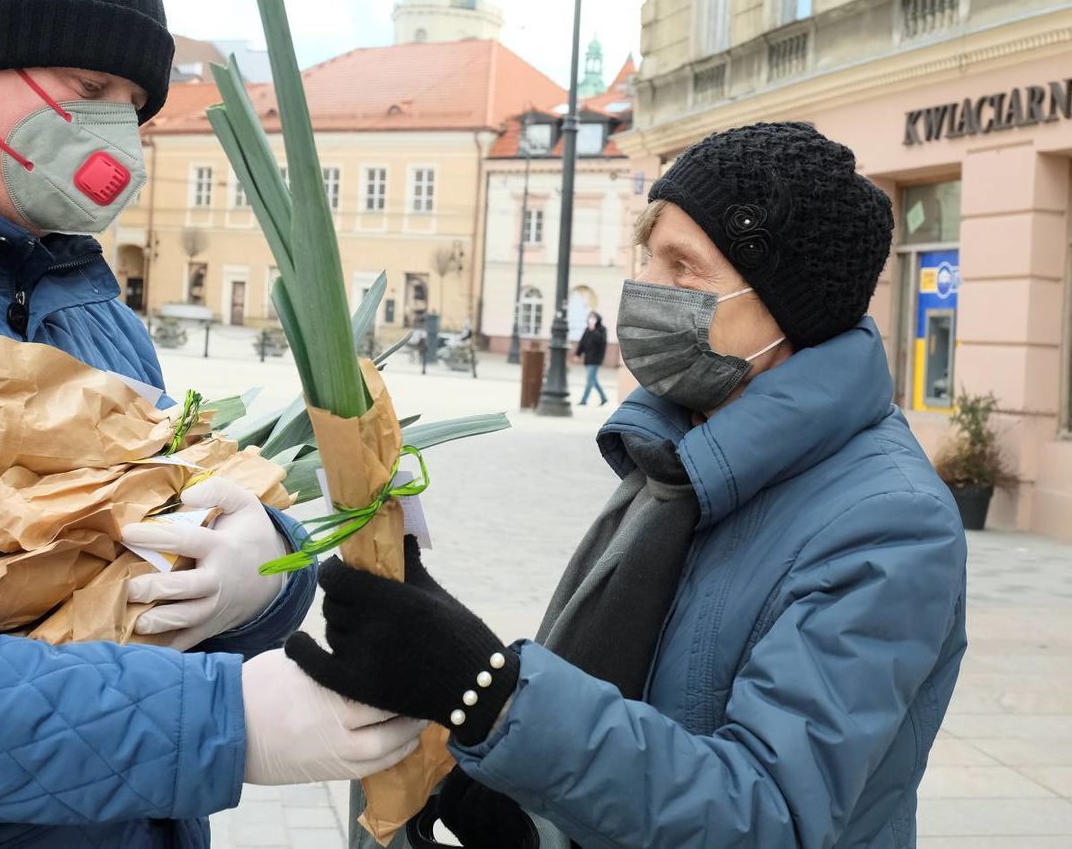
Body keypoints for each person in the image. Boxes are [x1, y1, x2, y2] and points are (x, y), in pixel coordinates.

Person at [0, 0, 421, 849]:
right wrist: (230, 722)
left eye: (132, 109)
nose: (114, 140)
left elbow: (161, 570)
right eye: (89, 92)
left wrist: (270, 579)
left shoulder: (94, 304)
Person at [286, 122, 969, 848]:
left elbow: (769, 814)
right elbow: (617, 697)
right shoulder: (682, 447)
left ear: (789, 306)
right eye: (648, 257)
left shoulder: (889, 522)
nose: (645, 289)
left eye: (684, 265)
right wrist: (456, 717)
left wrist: (489, 693)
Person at [573, 312, 608, 406]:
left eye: (593, 317)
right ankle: (604, 398)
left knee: (590, 380)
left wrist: (593, 330)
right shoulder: (587, 329)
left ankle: (584, 400)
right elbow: (582, 343)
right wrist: (578, 354)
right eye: (590, 317)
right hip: (588, 358)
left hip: (596, 359)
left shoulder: (602, 329)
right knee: (593, 380)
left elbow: (601, 342)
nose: (591, 319)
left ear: (597, 319)